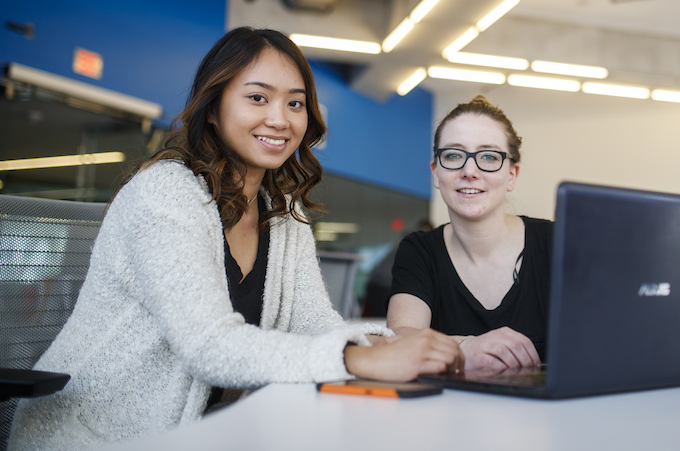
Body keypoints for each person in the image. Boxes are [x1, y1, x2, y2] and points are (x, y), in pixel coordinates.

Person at [9, 27, 462, 451]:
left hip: (212, 432)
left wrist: (429, 345)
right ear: (214, 107)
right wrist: (360, 359)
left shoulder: (283, 211)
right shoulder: (165, 194)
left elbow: (319, 328)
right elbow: (209, 347)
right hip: (98, 438)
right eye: (257, 97)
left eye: (295, 103)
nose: (279, 119)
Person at [387, 96, 552, 372]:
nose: (469, 171)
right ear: (436, 173)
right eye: (453, 155)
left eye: (488, 156)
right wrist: (463, 348)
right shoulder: (419, 250)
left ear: (512, 174)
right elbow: (400, 336)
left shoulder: (555, 242)